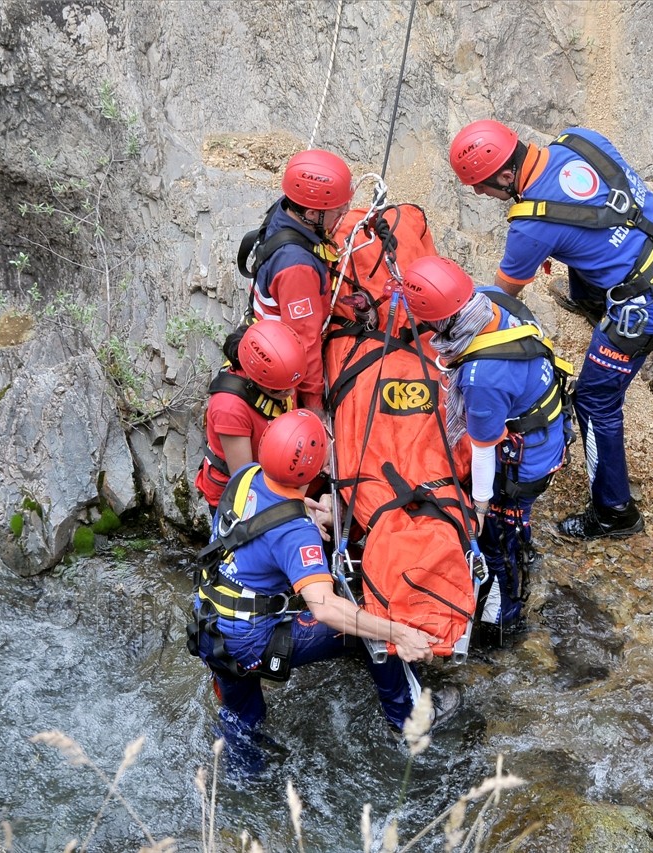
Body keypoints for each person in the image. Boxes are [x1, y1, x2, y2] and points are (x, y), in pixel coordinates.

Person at [448, 120, 653, 539]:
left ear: (507, 176)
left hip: (646, 300)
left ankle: (614, 512)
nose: (478, 193)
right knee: (581, 249)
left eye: (482, 186)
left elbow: (501, 298)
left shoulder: (531, 226)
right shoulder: (581, 140)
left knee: (594, 399)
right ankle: (592, 297)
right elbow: (600, 209)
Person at [189, 410, 460, 774]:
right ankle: (407, 719)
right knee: (365, 627)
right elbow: (326, 609)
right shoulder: (296, 533)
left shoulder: (246, 475)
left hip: (210, 624)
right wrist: (400, 633)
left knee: (244, 719)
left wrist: (303, 513)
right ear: (314, 468)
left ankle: (241, 783)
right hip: (250, 638)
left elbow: (259, 527)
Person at [401, 255, 570, 636]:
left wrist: (478, 508)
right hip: (548, 427)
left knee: (496, 535)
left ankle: (502, 621)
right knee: (508, 526)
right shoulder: (492, 298)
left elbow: (482, 448)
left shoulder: (483, 378)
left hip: (526, 462)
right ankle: (518, 547)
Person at [245, 149, 354, 413]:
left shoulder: (285, 209)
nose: (343, 211)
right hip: (282, 361)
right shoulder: (297, 267)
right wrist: (314, 403)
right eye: (335, 209)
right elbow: (305, 343)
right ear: (311, 212)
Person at [195, 320, 308, 511]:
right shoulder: (229, 407)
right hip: (236, 496)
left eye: (292, 385)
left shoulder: (280, 369)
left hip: (274, 469)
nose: (290, 393)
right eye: (279, 390)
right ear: (255, 378)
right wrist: (296, 502)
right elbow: (245, 481)